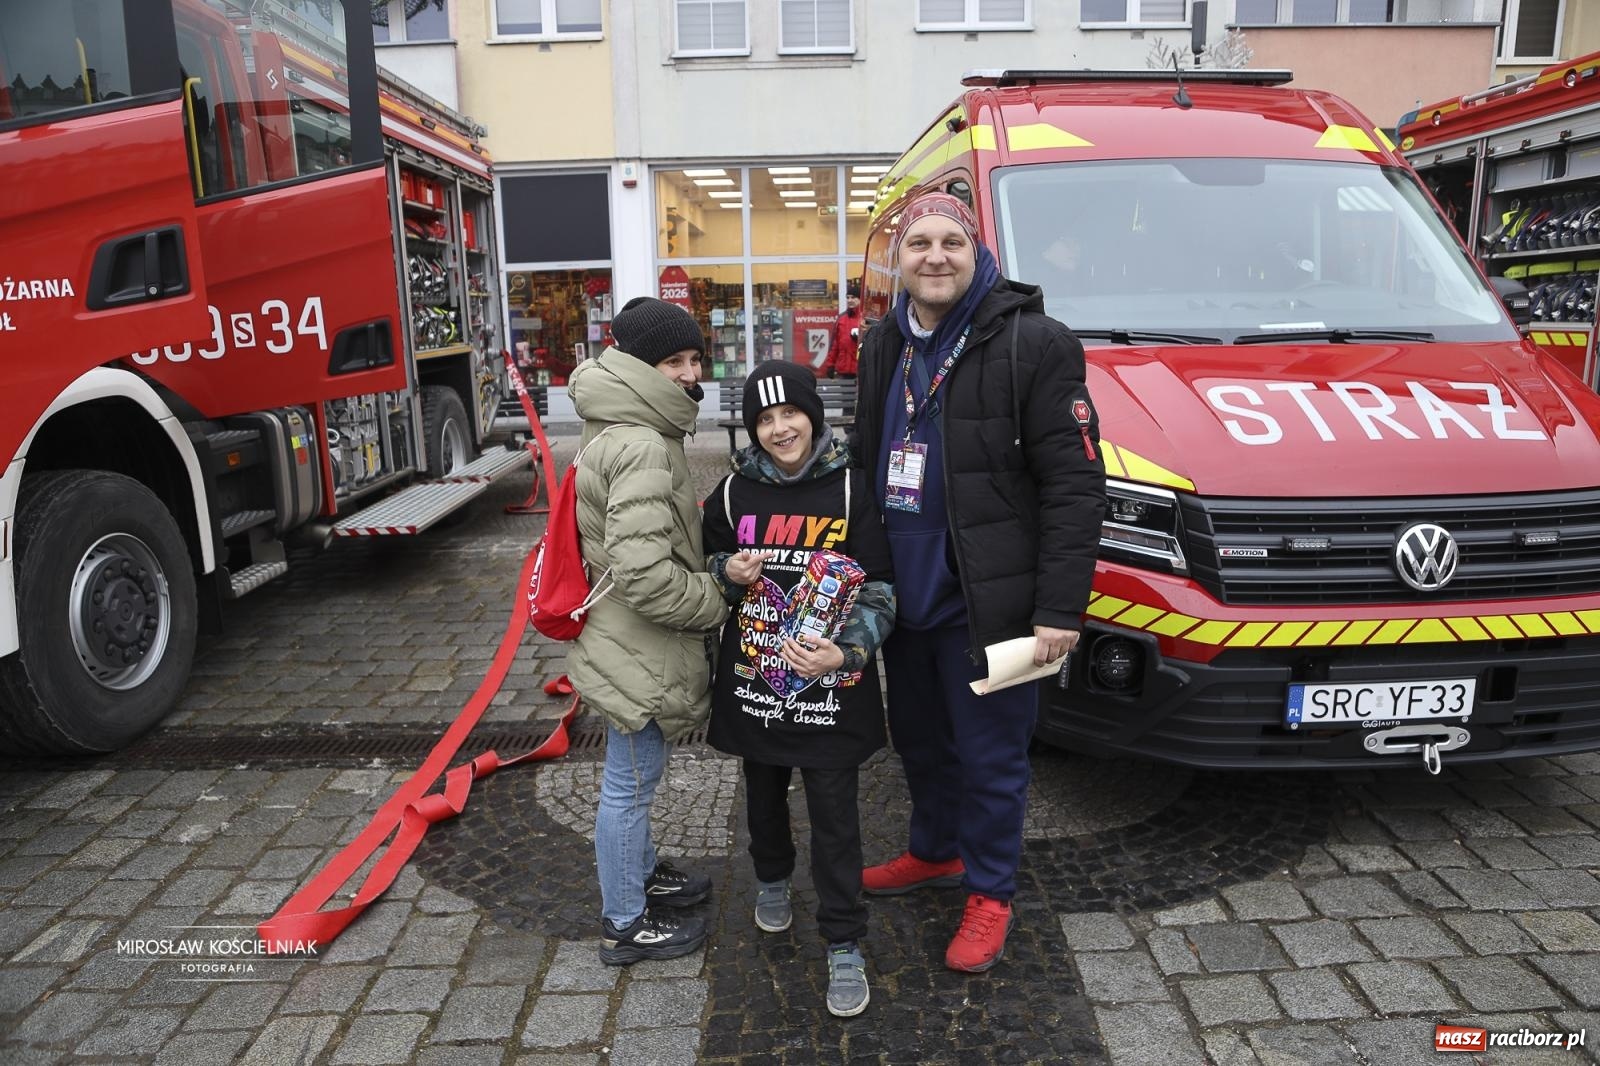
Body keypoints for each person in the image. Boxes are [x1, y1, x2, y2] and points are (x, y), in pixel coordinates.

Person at [853, 192, 1106, 973]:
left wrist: (1060, 607)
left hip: (992, 602)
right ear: (897, 260)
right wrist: (867, 584)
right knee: (923, 744)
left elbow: (1075, 486)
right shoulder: (882, 344)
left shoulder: (1037, 343)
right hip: (908, 597)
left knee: (994, 761)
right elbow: (867, 467)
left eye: (951, 242)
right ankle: (934, 850)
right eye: (918, 242)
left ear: (978, 253)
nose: (934, 256)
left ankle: (991, 890)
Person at [702, 361, 895, 1018]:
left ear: (814, 415)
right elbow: (708, 575)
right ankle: (773, 877)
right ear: (753, 428)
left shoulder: (851, 491)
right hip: (758, 687)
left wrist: (847, 649)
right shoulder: (731, 495)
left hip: (832, 691)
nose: (780, 428)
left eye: (791, 414)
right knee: (762, 799)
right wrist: (726, 570)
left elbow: (881, 588)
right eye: (765, 419)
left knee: (837, 819)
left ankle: (844, 941)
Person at [565, 296, 731, 966]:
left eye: (695, 359)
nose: (690, 374)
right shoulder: (640, 445)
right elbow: (643, 576)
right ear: (639, 365)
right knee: (629, 785)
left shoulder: (624, 421)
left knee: (637, 774)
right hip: (637, 641)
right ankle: (625, 921)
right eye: (673, 361)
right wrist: (715, 599)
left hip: (625, 637)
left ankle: (642, 872)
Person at [824, 283, 863, 379]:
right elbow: (835, 344)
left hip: (861, 370)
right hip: (844, 370)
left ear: (860, 299)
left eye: (853, 297)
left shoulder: (865, 318)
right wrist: (830, 365)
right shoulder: (841, 318)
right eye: (848, 297)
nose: (850, 300)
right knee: (845, 393)